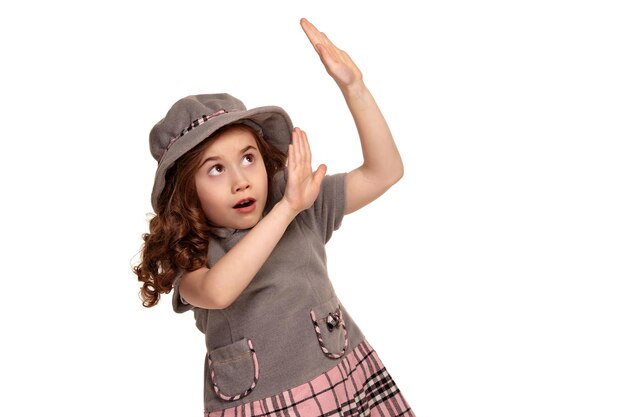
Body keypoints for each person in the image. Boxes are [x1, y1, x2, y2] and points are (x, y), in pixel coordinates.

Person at [134, 18, 416, 417]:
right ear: (187, 192)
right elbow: (217, 292)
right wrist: (286, 210)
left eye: (248, 158)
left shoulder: (298, 205)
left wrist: (355, 88)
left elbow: (384, 172)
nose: (240, 181)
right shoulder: (194, 250)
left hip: (344, 381)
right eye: (216, 169)